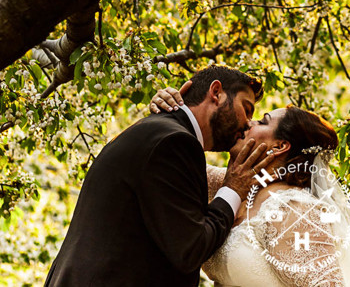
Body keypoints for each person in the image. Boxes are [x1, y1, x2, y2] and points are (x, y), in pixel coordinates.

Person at [45, 66, 273, 287]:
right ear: (216, 93)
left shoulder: (155, 131)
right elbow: (190, 249)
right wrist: (233, 189)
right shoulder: (174, 143)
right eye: (247, 109)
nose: (247, 124)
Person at [151, 84, 350, 286]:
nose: (248, 123)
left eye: (262, 121)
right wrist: (169, 112)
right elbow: (164, 162)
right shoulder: (229, 186)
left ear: (280, 146)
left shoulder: (293, 209)